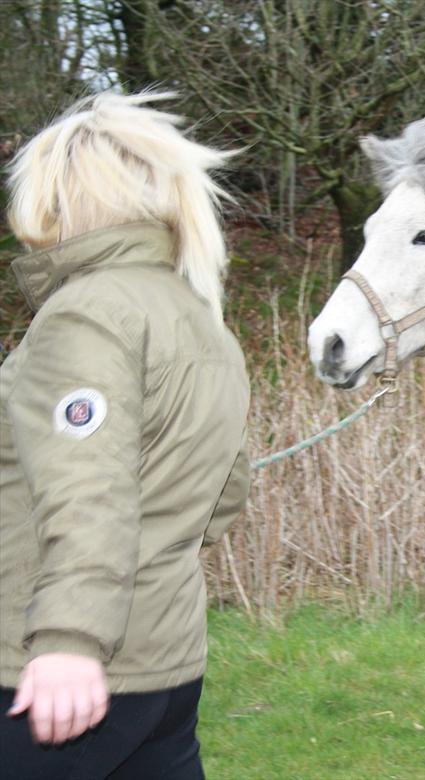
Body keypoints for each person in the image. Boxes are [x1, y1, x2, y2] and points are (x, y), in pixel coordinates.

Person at [0, 92, 249, 779]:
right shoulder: (200, 317)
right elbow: (224, 493)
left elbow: (90, 490)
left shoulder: (85, 317)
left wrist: (70, 639)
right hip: (165, 664)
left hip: (61, 669)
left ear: (57, 197)